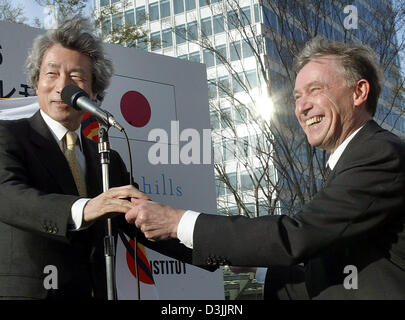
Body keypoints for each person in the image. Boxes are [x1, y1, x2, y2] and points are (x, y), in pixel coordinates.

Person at [126, 37, 405, 299]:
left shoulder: (379, 154)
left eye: (315, 90)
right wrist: (252, 266)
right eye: (296, 96)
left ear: (359, 92)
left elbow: (297, 235)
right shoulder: (352, 162)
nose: (302, 107)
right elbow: (327, 278)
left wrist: (178, 222)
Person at [0, 18, 192, 300]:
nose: (61, 87)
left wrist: (222, 249)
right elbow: (9, 196)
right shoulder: (9, 135)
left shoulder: (107, 159)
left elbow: (146, 221)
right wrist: (86, 208)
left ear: (94, 93)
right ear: (36, 82)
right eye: (51, 74)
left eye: (76, 78)